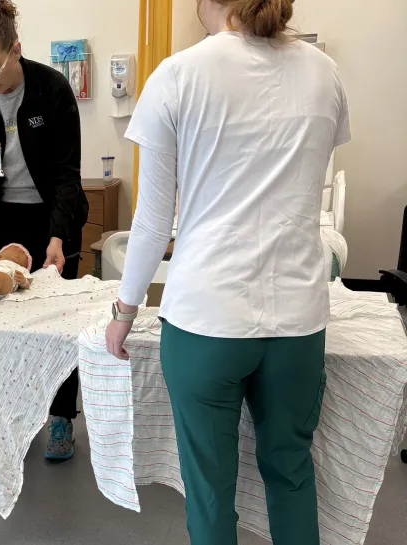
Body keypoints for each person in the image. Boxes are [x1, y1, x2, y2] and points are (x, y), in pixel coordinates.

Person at [106, 0, 350, 543]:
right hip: (297, 320)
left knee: (212, 490)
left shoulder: (177, 76)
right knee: (290, 473)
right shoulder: (323, 73)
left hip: (206, 320)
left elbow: (152, 222)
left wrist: (124, 309)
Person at [0, 0, 89, 461]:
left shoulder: (52, 90)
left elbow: (66, 175)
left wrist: (57, 236)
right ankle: (9, 411)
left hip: (53, 215)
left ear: (16, 50)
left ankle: (59, 418)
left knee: (56, 323)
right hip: (4, 218)